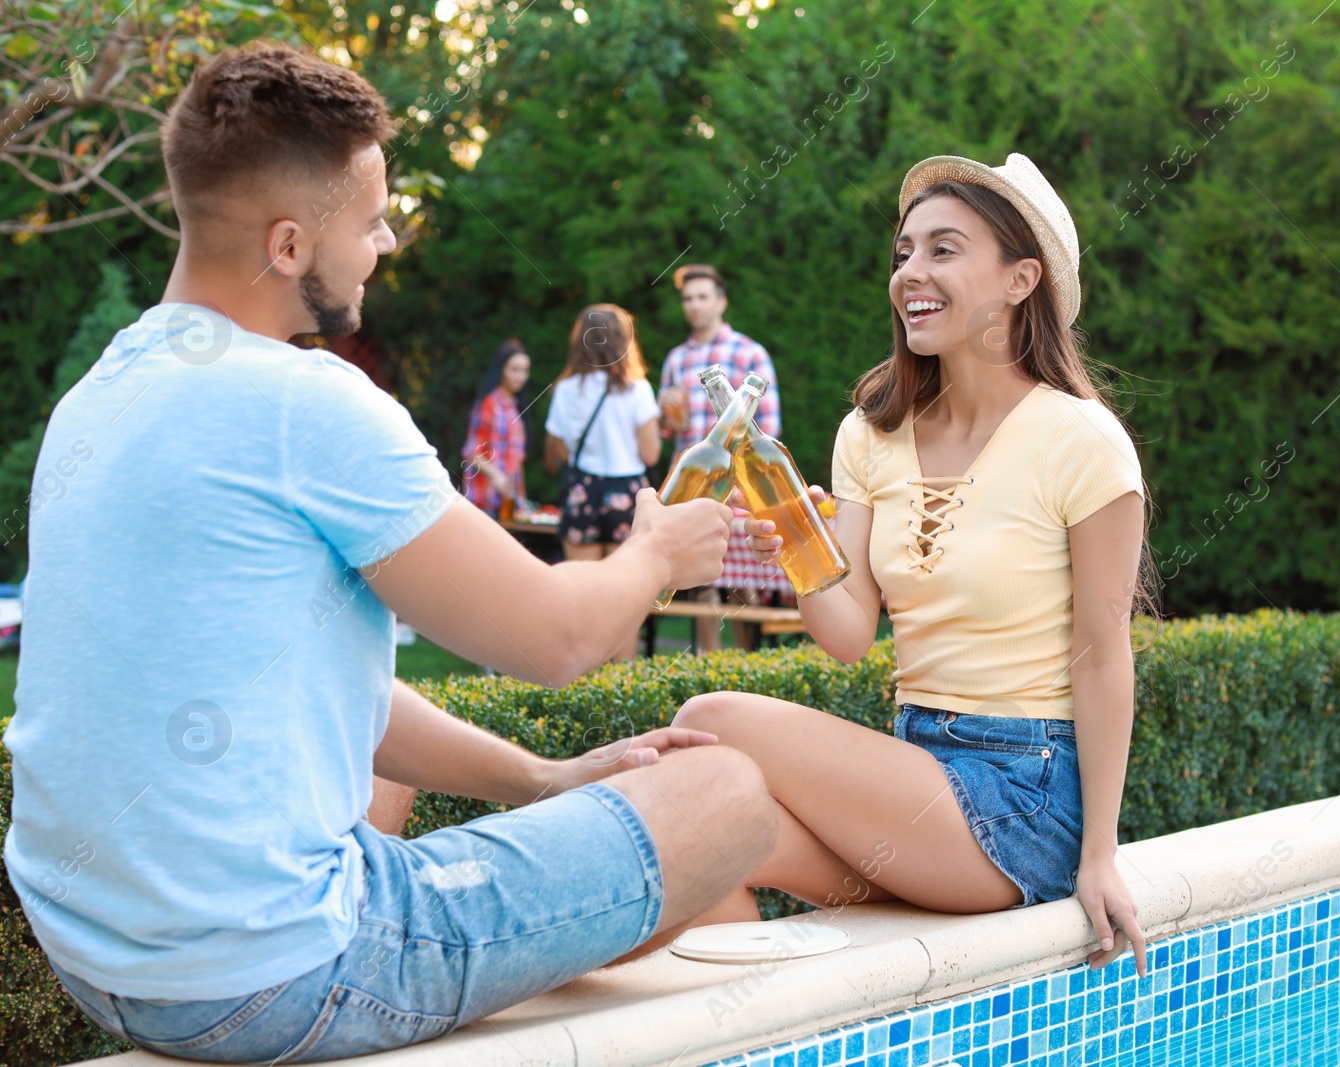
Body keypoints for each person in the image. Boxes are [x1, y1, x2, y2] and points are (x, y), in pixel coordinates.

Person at [1, 42, 776, 1064]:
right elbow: (557, 635)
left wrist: (548, 778)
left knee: (615, 844)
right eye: (370, 223)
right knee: (726, 798)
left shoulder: (100, 395)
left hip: (102, 961)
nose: (383, 245)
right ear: (288, 244)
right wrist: (656, 550)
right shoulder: (303, 401)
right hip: (275, 976)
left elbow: (334, 689)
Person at [676, 153, 1154, 976]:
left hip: (1024, 795)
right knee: (709, 834)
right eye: (903, 253)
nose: (911, 273)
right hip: (917, 778)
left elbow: (1104, 654)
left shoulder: (1081, 439)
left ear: (1019, 280)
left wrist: (1100, 854)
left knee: (709, 717)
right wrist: (796, 532)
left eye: (944, 249)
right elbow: (848, 633)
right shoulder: (871, 434)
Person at [657, 264, 784, 651]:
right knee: (699, 581)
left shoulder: (749, 353)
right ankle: (706, 663)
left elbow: (769, 429)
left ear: (721, 302)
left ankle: (747, 662)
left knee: (743, 583)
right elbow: (667, 433)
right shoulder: (676, 359)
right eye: (687, 299)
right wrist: (666, 410)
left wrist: (746, 480)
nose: (694, 305)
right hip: (694, 481)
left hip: (739, 482)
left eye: (702, 297)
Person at [543, 304, 662, 658]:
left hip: (584, 489)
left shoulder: (566, 390)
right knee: (625, 594)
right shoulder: (637, 390)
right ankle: (621, 680)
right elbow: (652, 454)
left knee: (583, 590)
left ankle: (584, 673)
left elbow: (557, 449)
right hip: (627, 492)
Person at [461, 338, 530, 519]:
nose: (520, 376)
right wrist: (496, 476)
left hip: (507, 505)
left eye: (524, 370)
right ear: (501, 370)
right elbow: (472, 453)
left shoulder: (515, 408)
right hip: (483, 502)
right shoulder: (489, 404)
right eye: (514, 369)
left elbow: (517, 462)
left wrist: (522, 500)